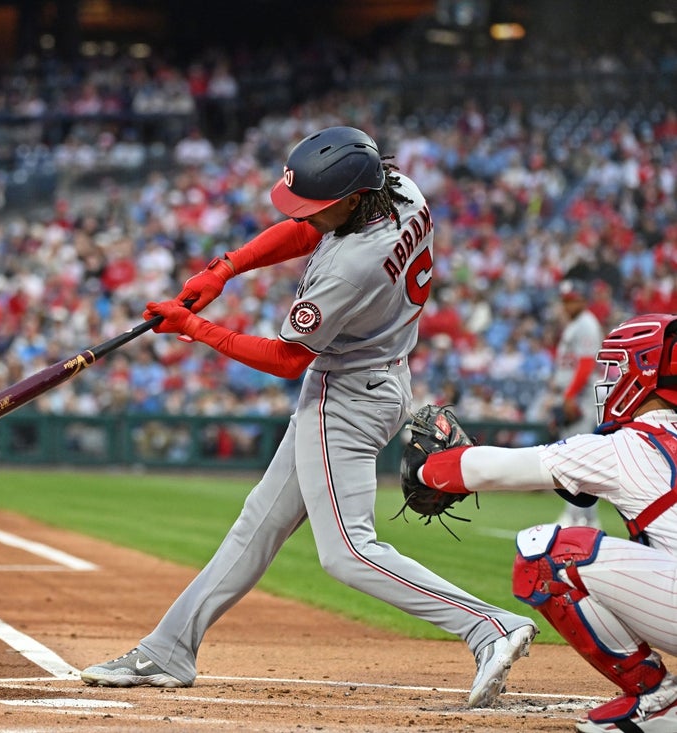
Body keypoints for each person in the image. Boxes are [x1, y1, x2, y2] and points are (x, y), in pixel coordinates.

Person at [80, 126, 537, 707]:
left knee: (347, 553)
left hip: (345, 396)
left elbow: (286, 359)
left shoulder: (351, 265)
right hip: (381, 373)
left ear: (353, 197)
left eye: (319, 203)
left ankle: (489, 626)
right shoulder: (399, 191)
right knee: (258, 523)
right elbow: (308, 227)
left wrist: (194, 327)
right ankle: (168, 649)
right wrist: (225, 268)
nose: (305, 212)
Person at [404, 313, 677, 732]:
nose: (610, 380)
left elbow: (497, 470)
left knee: (546, 555)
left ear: (644, 373)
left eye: (618, 368)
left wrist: (425, 469)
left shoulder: (629, 444)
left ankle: (657, 699)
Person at [549, 279, 605, 529]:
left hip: (581, 398)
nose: (567, 305)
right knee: (574, 458)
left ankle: (578, 517)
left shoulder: (586, 324)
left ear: (583, 300)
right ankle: (584, 517)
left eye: (571, 300)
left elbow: (585, 365)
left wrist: (569, 395)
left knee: (578, 459)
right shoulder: (575, 324)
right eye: (565, 301)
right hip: (572, 394)